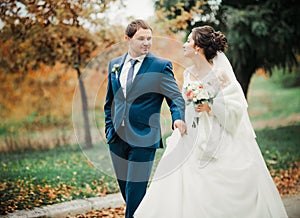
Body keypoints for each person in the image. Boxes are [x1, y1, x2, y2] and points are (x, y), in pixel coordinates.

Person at [134, 25, 288, 218]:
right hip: (190, 134)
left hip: (218, 134)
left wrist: (211, 106)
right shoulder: (188, 73)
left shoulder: (220, 74)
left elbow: (236, 106)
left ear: (198, 47)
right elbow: (185, 104)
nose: (184, 44)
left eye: (189, 41)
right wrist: (180, 120)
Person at [104, 19, 186, 218]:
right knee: (127, 191)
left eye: (149, 38)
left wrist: (178, 118)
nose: (147, 43)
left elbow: (175, 97)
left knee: (135, 191)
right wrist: (109, 127)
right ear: (128, 39)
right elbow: (110, 101)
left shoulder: (160, 66)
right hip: (116, 137)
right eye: (141, 38)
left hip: (144, 137)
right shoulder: (115, 65)